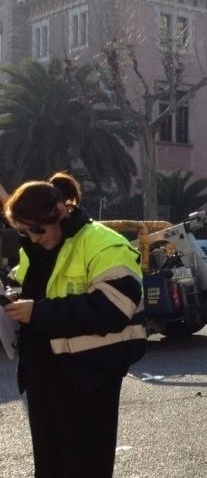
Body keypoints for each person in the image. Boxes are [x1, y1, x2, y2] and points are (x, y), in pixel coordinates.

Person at [3, 172, 146, 477]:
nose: (33, 238)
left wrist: (37, 313)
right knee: (50, 466)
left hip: (88, 378)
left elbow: (114, 307)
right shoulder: (37, 247)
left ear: (62, 212)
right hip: (42, 375)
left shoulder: (104, 243)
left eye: (38, 230)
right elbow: (28, 288)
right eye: (25, 232)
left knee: (85, 467)